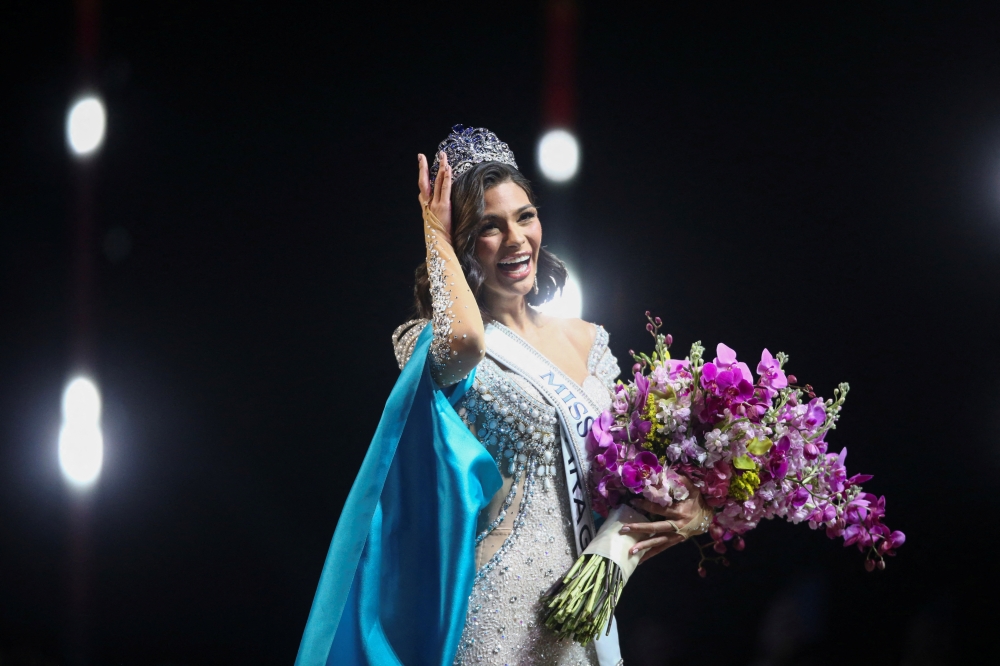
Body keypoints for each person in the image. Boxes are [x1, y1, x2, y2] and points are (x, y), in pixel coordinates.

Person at [295, 127, 706, 666]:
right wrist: (434, 230)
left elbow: (623, 478)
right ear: (463, 244)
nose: (516, 239)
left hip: (583, 625)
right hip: (494, 619)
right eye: (490, 227)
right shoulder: (431, 342)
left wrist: (692, 510)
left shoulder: (590, 340)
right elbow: (467, 341)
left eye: (525, 216)